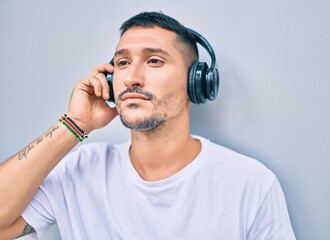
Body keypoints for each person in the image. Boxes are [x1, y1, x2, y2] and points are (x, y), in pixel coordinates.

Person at [0, 11, 296, 239]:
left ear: (196, 82)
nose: (131, 77)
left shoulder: (251, 183)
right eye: (123, 63)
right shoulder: (78, 171)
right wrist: (75, 124)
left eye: (154, 61)